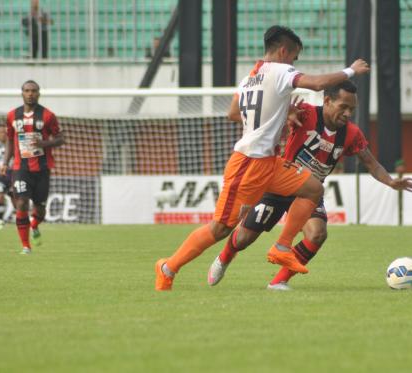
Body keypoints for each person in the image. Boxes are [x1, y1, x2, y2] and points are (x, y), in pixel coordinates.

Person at [154, 25, 370, 291]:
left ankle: (282, 246)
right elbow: (316, 84)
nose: (294, 63)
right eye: (294, 57)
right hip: (248, 163)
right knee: (220, 228)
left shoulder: (250, 78)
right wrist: (351, 70)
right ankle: (168, 267)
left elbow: (233, 113)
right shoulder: (280, 70)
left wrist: (280, 111)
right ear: (283, 51)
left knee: (313, 188)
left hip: (270, 162)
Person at [206, 80, 412, 290]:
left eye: (351, 109)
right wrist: (287, 114)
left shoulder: (352, 134)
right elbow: (272, 115)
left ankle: (279, 281)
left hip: (308, 194)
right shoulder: (305, 113)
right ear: (327, 101)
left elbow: (371, 163)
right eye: (343, 107)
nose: (347, 113)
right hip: (279, 185)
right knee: (244, 238)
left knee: (317, 234)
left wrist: (390, 181)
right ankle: (224, 258)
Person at [0, 80, 65, 254]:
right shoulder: (12, 115)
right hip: (20, 168)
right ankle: (26, 246)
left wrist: (43, 143)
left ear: (39, 93)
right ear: (22, 93)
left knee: (40, 209)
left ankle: (34, 225)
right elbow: (9, 141)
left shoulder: (48, 116)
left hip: (42, 168)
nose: (30, 94)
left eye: (34, 91)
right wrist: (5, 163)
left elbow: (61, 139)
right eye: (27, 90)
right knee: (21, 203)